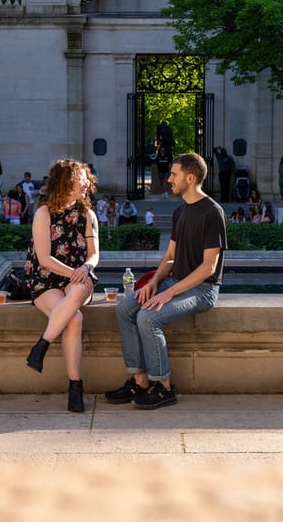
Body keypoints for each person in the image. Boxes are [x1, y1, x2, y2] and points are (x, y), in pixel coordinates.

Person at [105, 153, 226, 410]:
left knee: (148, 318)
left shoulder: (213, 212)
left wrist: (168, 294)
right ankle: (140, 382)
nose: (168, 179)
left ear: (190, 178)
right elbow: (170, 257)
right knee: (125, 307)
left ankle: (164, 387)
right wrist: (153, 283)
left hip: (202, 290)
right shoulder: (180, 210)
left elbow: (208, 268)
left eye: (174, 174)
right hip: (175, 281)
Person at [24, 159, 99, 413]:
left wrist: (85, 269)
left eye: (87, 178)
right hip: (46, 279)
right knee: (74, 319)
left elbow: (94, 255)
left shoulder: (87, 215)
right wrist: (74, 273)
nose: (87, 182)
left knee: (77, 290)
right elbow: (44, 258)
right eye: (82, 177)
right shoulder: (43, 213)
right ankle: (75, 387)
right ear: (66, 181)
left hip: (79, 279)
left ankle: (41, 345)